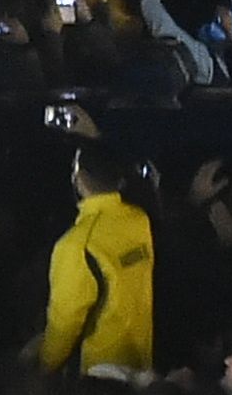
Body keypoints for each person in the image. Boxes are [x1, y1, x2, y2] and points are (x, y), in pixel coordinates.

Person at [35, 146, 158, 375]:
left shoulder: (77, 245)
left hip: (100, 375)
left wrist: (44, 367)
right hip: (141, 364)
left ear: (78, 178)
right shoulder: (139, 220)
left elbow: (65, 323)